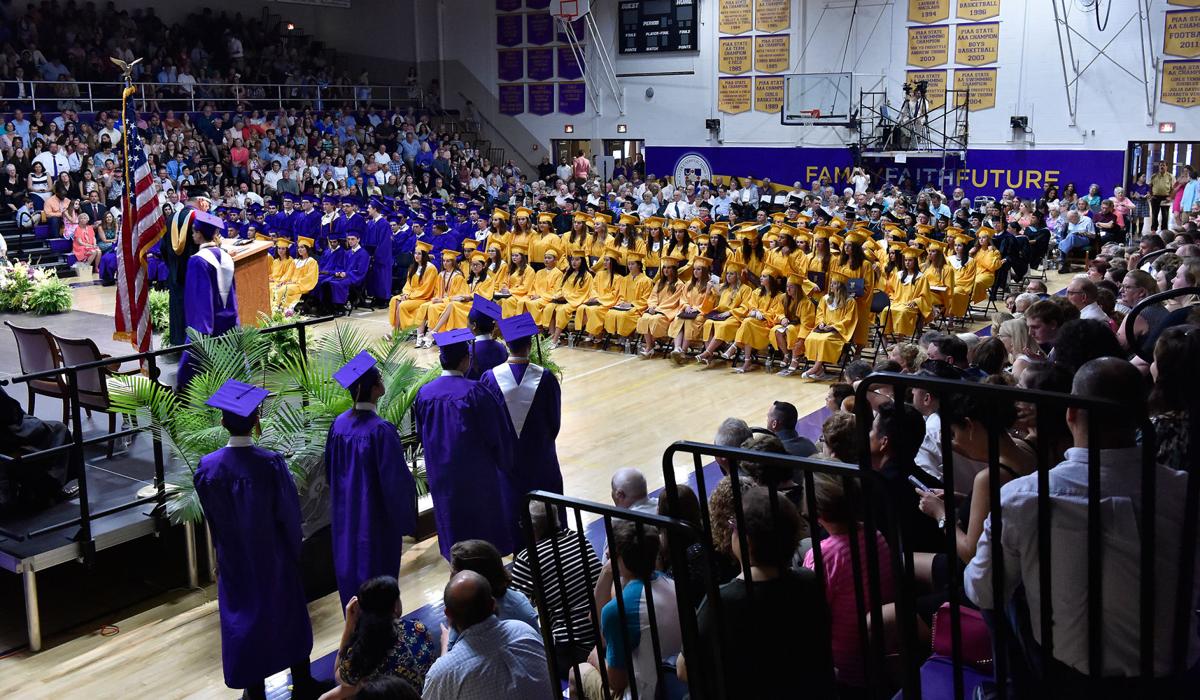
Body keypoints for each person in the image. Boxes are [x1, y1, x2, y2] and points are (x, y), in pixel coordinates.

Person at [965, 358, 1200, 692]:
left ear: (1071, 413)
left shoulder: (1023, 497)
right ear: (1142, 415)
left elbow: (982, 590)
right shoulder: (1187, 491)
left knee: (1004, 585)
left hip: (1068, 678)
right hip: (1178, 674)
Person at [193, 380, 317, 700]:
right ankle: (302, 682)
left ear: (222, 421)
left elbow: (212, 517)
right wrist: (293, 549)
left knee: (244, 620)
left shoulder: (208, 469)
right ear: (257, 420)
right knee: (287, 614)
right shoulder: (270, 464)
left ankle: (255, 691)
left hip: (236, 558)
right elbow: (289, 513)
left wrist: (224, 551)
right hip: (274, 555)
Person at [679, 487, 836, 697]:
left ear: (746, 540)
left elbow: (684, 670)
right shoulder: (810, 581)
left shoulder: (721, 601)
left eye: (734, 525)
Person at [413, 328, 517, 558]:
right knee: (482, 530)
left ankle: (457, 565)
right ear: (466, 360)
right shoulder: (476, 392)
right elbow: (497, 434)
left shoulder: (425, 394)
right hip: (476, 476)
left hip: (442, 476)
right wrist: (505, 463)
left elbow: (422, 433)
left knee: (453, 525)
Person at [326, 351, 418, 607]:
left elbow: (330, 471)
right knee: (377, 579)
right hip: (375, 522)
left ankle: (355, 634)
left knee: (351, 577)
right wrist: (405, 520)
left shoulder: (338, 426)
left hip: (346, 520)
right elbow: (396, 483)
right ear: (376, 387)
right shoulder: (381, 431)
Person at [803, 474, 894, 691]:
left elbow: (812, 614)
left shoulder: (822, 555)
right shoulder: (874, 533)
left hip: (845, 664)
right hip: (880, 650)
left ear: (817, 513)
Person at [481, 312, 563, 548]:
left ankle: (519, 554)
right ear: (530, 344)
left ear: (506, 344)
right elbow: (554, 422)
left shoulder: (489, 378)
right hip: (541, 458)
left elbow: (487, 423)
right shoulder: (545, 378)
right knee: (546, 507)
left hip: (506, 461)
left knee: (512, 506)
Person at [577, 521, 682, 700]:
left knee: (577, 672)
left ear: (618, 557)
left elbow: (617, 682)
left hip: (645, 694)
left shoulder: (617, 609)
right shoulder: (674, 585)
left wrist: (596, 659)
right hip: (677, 684)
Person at [510, 501, 604, 679]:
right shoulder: (577, 538)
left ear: (531, 527)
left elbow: (517, 609)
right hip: (604, 633)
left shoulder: (528, 558)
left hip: (573, 646)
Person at [422, 571, 551, 700]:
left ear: (448, 614)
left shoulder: (443, 673)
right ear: (493, 603)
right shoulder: (524, 630)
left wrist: (445, 649)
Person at [322, 576, 436, 699]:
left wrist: (349, 625)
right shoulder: (418, 628)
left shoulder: (363, 654)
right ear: (395, 607)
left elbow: (339, 677)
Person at [868, 401, 943, 553]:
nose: (867, 434)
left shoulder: (873, 488)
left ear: (884, 442)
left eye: (871, 430)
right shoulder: (932, 485)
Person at [176, 211, 238, 390]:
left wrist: (199, 332)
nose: (193, 234)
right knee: (231, 370)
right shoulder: (226, 256)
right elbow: (232, 293)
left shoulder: (198, 260)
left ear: (200, 234)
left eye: (194, 231)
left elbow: (199, 299)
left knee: (188, 376)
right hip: (228, 323)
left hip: (207, 328)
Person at [445, 539, 539, 651]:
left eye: (453, 572)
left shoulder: (466, 619)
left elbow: (450, 655)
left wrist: (446, 640)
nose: (451, 578)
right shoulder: (520, 600)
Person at [464, 295, 509, 379]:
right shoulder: (501, 348)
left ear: (474, 326)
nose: (466, 325)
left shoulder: (469, 352)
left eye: (468, 321)